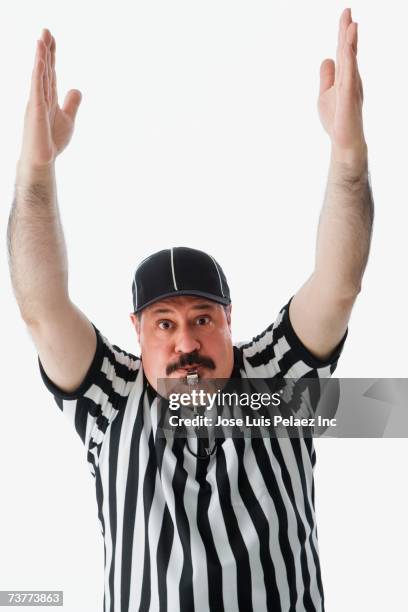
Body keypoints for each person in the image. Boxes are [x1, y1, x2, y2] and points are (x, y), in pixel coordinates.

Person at [7, 7, 373, 612]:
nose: (185, 344)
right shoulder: (114, 402)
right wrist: (36, 171)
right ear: (138, 331)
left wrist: (349, 156)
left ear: (229, 321)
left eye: (202, 318)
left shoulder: (276, 388)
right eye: (165, 324)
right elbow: (41, 308)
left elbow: (338, 285)